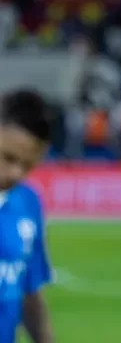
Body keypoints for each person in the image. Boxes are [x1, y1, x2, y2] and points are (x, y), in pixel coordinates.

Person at [0, 90, 54, 343]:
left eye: (27, 165)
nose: (15, 174)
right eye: (8, 158)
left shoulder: (27, 201)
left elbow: (30, 293)